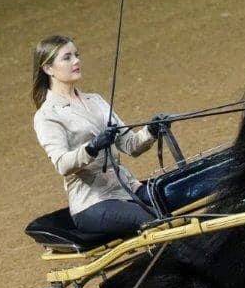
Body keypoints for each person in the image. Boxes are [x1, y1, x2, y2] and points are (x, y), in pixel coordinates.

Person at [31, 34, 167, 239]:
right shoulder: (47, 115)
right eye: (67, 57)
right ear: (48, 68)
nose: (76, 61)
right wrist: (92, 147)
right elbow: (62, 164)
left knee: (172, 197)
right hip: (92, 203)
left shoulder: (95, 101)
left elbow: (131, 145)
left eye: (76, 55)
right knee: (154, 219)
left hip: (126, 188)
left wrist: (152, 130)